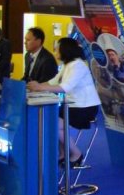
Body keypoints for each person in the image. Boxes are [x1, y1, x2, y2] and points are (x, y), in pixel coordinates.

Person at [27, 38, 101, 167]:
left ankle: (76, 154)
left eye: (57, 49)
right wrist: (35, 87)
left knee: (54, 125)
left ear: (65, 50)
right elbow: (53, 82)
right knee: (50, 123)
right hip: (72, 105)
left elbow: (65, 87)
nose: (55, 51)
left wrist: (39, 87)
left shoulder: (78, 65)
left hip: (84, 107)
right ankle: (63, 153)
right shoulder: (68, 64)